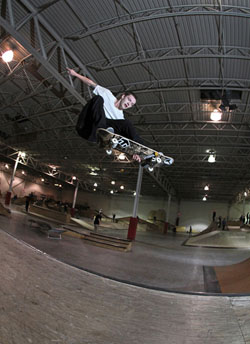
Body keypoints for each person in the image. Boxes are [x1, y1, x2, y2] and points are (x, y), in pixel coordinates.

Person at [67, 68, 143, 148]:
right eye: (129, 100)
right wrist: (75, 74)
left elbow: (126, 135)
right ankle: (101, 130)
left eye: (132, 104)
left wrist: (133, 151)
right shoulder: (107, 94)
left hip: (93, 136)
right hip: (85, 126)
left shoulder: (120, 118)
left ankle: (140, 147)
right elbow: (91, 83)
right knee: (98, 99)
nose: (129, 104)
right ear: (123, 96)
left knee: (126, 124)